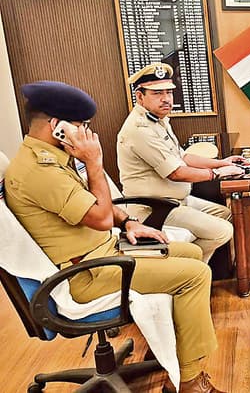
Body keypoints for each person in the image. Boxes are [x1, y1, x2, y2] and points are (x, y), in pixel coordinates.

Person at [4, 81, 226, 392]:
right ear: (57, 126)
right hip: (85, 274)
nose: (88, 134)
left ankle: (173, 352)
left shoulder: (51, 158)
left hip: (104, 253)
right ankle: (188, 381)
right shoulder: (39, 171)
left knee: (190, 254)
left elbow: (97, 205)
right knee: (195, 275)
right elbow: (100, 217)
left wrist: (129, 222)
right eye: (82, 125)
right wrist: (94, 162)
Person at [117, 62, 245, 262]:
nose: (166, 99)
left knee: (224, 213)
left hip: (175, 200)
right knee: (223, 231)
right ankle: (188, 268)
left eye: (169, 92)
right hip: (154, 207)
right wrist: (217, 174)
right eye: (157, 93)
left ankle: (195, 266)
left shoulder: (158, 120)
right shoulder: (140, 129)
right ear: (140, 97)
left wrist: (221, 163)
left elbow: (183, 157)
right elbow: (176, 173)